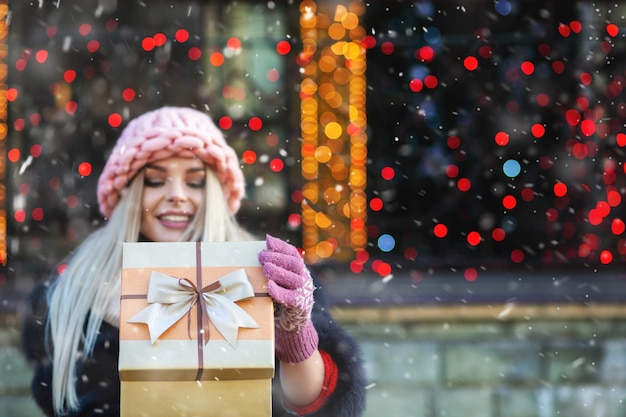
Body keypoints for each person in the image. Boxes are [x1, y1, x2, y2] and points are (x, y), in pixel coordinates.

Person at [21, 106, 367, 417]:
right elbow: (71, 400)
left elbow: (312, 404)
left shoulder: (265, 273)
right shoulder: (77, 288)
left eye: (195, 181)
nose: (176, 194)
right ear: (127, 194)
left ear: (216, 192)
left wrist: (295, 340)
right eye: (155, 180)